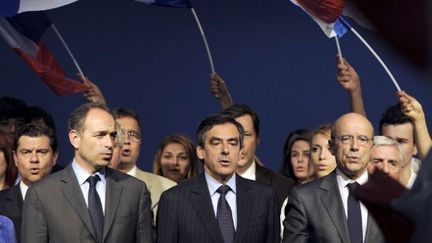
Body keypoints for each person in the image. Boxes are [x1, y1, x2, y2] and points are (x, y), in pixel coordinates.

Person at [21, 103, 153, 243]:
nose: (109, 143)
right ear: (75, 138)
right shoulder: (42, 193)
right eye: (100, 135)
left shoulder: (135, 190)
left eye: (112, 136)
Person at [157, 114, 280, 243]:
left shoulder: (264, 197)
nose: (226, 150)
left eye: (233, 143)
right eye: (216, 143)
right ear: (200, 151)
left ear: (239, 151)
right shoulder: (174, 200)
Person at [283, 113, 385, 243]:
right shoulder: (304, 198)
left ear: (372, 148)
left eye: (363, 139)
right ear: (332, 146)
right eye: (346, 138)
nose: (354, 146)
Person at [222, 105, 295, 211]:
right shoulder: (203, 186)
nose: (241, 144)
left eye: (246, 135)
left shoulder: (281, 187)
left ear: (257, 139)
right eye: (233, 136)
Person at [112, 107, 177, 220]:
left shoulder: (168, 189)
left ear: (140, 142)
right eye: (119, 134)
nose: (126, 140)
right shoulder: (92, 185)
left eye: (132, 134)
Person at [0, 123, 58, 242]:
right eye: (26, 152)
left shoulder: (72, 201)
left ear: (55, 157)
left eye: (42, 152)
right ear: (15, 158)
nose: (34, 159)